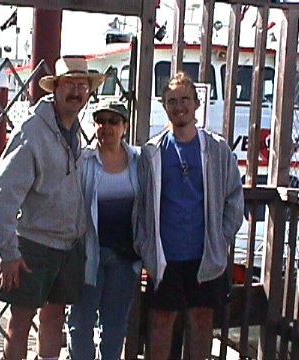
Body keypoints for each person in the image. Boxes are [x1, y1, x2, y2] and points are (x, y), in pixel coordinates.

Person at [0, 56, 105, 360]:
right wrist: (9, 254)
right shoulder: (32, 131)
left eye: (82, 86)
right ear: (56, 89)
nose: (77, 92)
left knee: (54, 320)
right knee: (21, 322)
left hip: (68, 246)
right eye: (70, 85)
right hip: (33, 247)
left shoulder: (75, 130)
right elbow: (1, 195)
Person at [135, 71, 244, 360]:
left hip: (205, 254)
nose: (179, 106)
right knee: (161, 322)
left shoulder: (218, 149)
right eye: (172, 100)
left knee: (202, 320)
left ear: (197, 104)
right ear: (164, 105)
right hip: (165, 256)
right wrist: (145, 245)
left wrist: (222, 238)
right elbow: (140, 203)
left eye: (185, 99)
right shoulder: (152, 152)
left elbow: (235, 197)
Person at [67, 100, 141, 360]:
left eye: (113, 121)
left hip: (125, 259)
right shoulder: (83, 160)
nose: (107, 126)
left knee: (116, 326)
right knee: (81, 321)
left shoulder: (140, 161)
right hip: (89, 255)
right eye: (101, 121)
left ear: (124, 126)